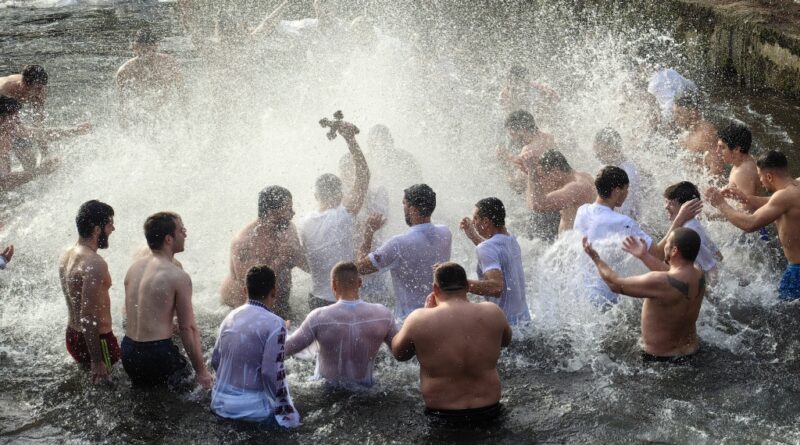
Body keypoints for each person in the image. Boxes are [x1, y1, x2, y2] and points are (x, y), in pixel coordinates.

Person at [391, 262, 512, 424]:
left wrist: (427, 313)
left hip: (442, 416)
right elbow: (505, 341)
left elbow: (399, 354)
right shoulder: (493, 312)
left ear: (435, 289)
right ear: (468, 286)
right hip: (491, 411)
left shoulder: (419, 319)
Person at [583, 228, 706, 362]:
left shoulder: (659, 281)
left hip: (659, 361)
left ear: (674, 250)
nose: (664, 246)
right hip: (692, 353)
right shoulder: (699, 274)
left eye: (667, 243)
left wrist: (596, 259)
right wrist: (644, 255)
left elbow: (615, 284)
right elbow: (672, 276)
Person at [122, 212, 213, 390]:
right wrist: (201, 371)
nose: (185, 234)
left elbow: (137, 313)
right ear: (168, 239)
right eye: (181, 230)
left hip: (128, 350)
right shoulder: (177, 276)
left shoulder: (134, 268)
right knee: (196, 394)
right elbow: (189, 328)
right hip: (157, 354)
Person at [211, 265, 300, 427]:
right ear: (274, 292)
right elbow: (270, 373)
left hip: (219, 403)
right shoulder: (275, 323)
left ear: (245, 291)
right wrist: (287, 411)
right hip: (252, 411)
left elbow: (215, 361)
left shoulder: (229, 317)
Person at [706, 150, 800, 300]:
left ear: (769, 176)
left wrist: (721, 205)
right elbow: (774, 202)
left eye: (760, 176)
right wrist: (747, 199)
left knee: (782, 313)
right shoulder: (796, 185)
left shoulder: (784, 197)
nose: (760, 181)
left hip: (797, 271)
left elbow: (750, 224)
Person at [284, 262, 396, 386]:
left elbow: (286, 348)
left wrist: (281, 329)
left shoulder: (319, 316)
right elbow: (400, 353)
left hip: (327, 391)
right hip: (366, 389)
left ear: (333, 285)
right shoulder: (383, 315)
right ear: (360, 283)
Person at [301, 120, 369, 310]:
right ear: (340, 194)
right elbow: (364, 176)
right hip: (342, 299)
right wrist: (350, 139)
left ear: (316, 196)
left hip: (315, 298)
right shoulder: (342, 216)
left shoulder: (304, 222)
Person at [355, 184, 452, 318]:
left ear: (412, 209)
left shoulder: (398, 244)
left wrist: (368, 233)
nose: (403, 208)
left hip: (410, 320)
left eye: (404, 204)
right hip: (440, 316)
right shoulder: (445, 232)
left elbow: (360, 267)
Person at [573, 166, 658, 306]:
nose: (627, 193)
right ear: (617, 191)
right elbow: (658, 254)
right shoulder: (622, 222)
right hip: (606, 299)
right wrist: (680, 219)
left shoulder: (582, 211)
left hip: (580, 295)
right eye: (626, 189)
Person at [220, 186, 308, 319]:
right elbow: (252, 287)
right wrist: (281, 259)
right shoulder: (245, 242)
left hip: (279, 308)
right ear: (271, 213)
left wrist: (297, 255)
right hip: (243, 313)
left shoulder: (289, 229)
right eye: (288, 209)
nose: (293, 213)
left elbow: (310, 268)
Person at [59, 200, 119, 383]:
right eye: (109, 224)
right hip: (97, 341)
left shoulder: (67, 253)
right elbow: (88, 315)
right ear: (96, 229)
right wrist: (97, 359)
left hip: (73, 334)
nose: (113, 229)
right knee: (110, 389)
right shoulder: (94, 263)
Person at [459, 198, 531, 324]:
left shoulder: (486, 248)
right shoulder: (510, 238)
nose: (473, 223)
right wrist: (473, 236)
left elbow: (495, 287)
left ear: (486, 222)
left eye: (475, 219)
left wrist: (456, 282)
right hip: (524, 320)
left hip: (504, 325)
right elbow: (494, 252)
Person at [497, 110, 559, 241]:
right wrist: (511, 158)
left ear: (522, 129)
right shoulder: (548, 138)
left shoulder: (528, 150)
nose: (511, 139)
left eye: (512, 133)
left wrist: (504, 164)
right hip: (558, 202)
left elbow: (517, 186)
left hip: (542, 207)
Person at [0, 95, 88, 185]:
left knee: (28, 162)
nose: (18, 120)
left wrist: (75, 130)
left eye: (18, 116)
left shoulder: (10, 128)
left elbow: (42, 134)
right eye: (15, 117)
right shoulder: (8, 127)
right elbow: (4, 182)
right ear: (1, 119)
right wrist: (39, 171)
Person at [116, 29, 184, 127]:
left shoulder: (169, 64)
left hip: (166, 113)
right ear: (134, 48)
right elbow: (122, 103)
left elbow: (182, 92)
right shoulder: (125, 72)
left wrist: (186, 117)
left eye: (150, 50)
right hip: (140, 116)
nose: (147, 55)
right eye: (142, 51)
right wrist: (123, 127)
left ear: (156, 47)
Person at [524, 150, 595, 234]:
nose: (541, 182)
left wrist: (532, 171)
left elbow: (537, 205)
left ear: (556, 173)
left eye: (542, 177)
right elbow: (533, 203)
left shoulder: (576, 188)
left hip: (578, 243)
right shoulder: (580, 176)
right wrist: (531, 172)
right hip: (573, 241)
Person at [658, 182, 722, 275]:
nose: (666, 207)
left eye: (671, 203)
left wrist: (705, 289)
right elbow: (718, 255)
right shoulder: (692, 224)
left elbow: (712, 268)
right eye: (666, 202)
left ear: (687, 207)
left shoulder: (688, 232)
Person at [671, 91, 725, 177]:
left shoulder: (705, 133)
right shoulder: (686, 129)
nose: (675, 118)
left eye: (679, 113)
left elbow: (717, 168)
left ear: (693, 113)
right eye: (674, 113)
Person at [593, 128, 642, 219]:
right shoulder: (605, 166)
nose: (597, 156)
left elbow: (627, 208)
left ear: (613, 148)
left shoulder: (628, 172)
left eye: (600, 153)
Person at [716, 122, 761, 209]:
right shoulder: (744, 162)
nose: (717, 152)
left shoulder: (743, 173)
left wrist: (710, 215)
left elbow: (747, 212)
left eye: (722, 147)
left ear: (737, 149)